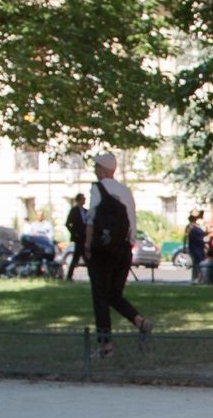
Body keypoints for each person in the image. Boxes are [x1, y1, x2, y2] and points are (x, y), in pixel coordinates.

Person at [84, 152, 151, 357]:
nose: (95, 170)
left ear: (103, 169)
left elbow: (91, 219)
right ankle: (140, 321)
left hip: (102, 249)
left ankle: (106, 345)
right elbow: (132, 221)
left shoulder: (98, 188)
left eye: (97, 167)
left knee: (100, 296)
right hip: (123, 249)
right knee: (114, 294)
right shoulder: (125, 191)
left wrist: (88, 246)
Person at [64, 193, 87, 280]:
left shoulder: (86, 211)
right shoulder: (74, 211)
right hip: (78, 237)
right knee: (77, 256)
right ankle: (69, 276)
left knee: (83, 256)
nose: (84, 200)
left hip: (85, 236)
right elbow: (68, 223)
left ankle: (69, 276)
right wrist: (74, 233)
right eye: (82, 199)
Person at [185, 210, 207, 283]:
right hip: (194, 246)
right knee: (196, 262)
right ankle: (195, 277)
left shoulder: (198, 225)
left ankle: (199, 278)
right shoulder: (190, 226)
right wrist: (184, 247)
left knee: (200, 262)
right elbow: (186, 236)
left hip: (200, 246)